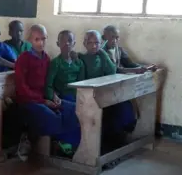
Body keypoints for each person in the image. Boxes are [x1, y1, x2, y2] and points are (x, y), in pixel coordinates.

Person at [14, 25, 81, 157]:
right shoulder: (24, 58)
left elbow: (49, 83)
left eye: (43, 39)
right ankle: (30, 138)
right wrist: (43, 101)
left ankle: (67, 144)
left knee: (73, 109)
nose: (41, 43)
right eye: (36, 39)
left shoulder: (46, 58)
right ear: (30, 40)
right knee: (53, 117)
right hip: (28, 100)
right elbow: (22, 88)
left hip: (45, 98)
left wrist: (54, 95)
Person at [81, 30, 136, 151]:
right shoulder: (81, 58)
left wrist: (102, 53)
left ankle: (120, 140)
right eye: (90, 43)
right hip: (89, 96)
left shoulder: (101, 57)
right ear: (85, 43)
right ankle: (106, 147)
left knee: (123, 105)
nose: (94, 46)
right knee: (106, 114)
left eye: (97, 43)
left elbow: (112, 70)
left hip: (103, 93)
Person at [45, 30, 85, 102]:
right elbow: (48, 85)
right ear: (58, 43)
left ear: (74, 43)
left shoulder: (79, 63)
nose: (67, 43)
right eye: (63, 41)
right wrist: (53, 96)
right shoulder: (55, 63)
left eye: (70, 40)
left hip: (77, 96)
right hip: (62, 97)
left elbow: (81, 83)